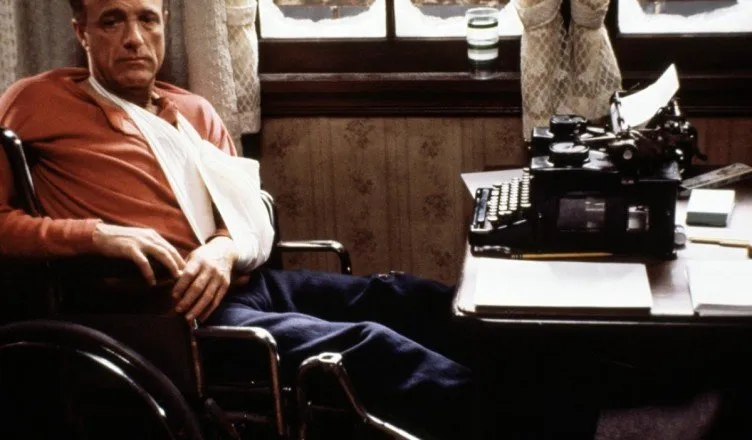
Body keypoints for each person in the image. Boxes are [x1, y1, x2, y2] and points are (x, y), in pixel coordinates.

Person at [0, 1, 474, 438]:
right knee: (374, 346)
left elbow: (250, 211)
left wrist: (225, 247)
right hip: (171, 318)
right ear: (80, 31)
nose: (134, 38)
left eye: (147, 19)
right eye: (111, 21)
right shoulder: (38, 101)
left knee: (408, 297)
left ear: (164, 24)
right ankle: (499, 417)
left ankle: (508, 371)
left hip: (245, 281)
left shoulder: (195, 112)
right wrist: (96, 235)